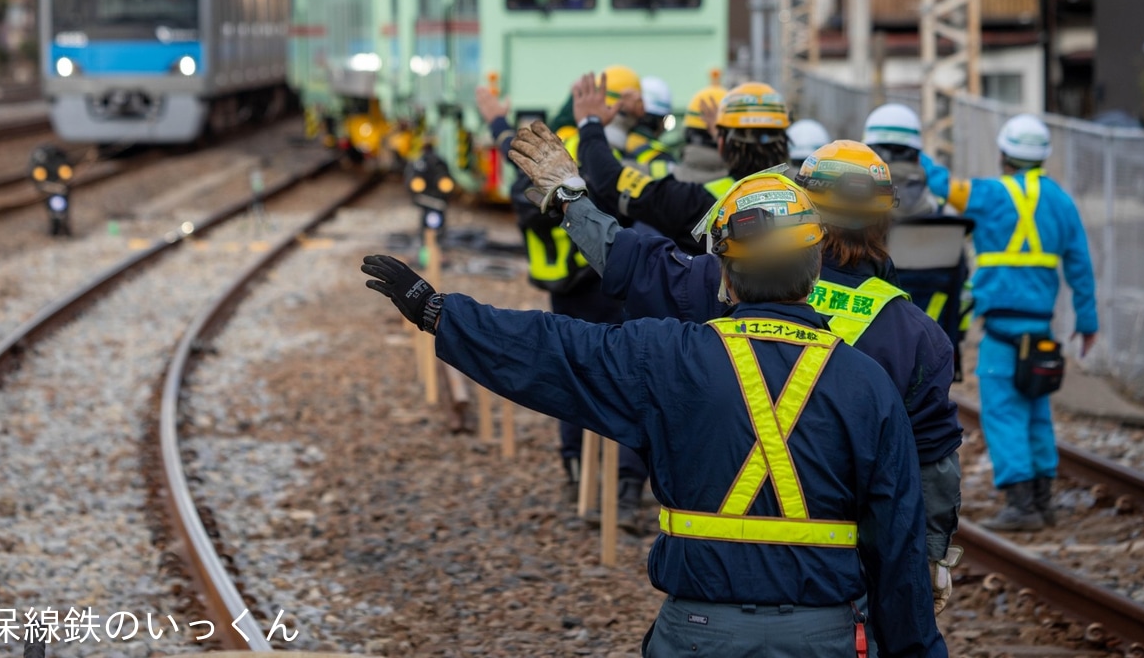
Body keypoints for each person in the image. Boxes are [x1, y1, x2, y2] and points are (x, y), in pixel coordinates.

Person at [362, 156, 947, 658]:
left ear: (727, 276)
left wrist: (438, 312)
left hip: (697, 631)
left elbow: (554, 350)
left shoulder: (668, 358)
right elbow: (899, 547)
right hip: (829, 634)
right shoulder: (869, 386)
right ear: (814, 266)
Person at [509, 126, 964, 614]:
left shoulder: (731, 282)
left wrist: (570, 200)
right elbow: (933, 461)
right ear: (884, 219)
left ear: (803, 206)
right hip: (841, 574)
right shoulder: (914, 333)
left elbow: (634, 263)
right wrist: (933, 556)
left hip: (721, 566)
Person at [473, 84, 647, 525]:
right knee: (627, 380)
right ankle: (626, 491)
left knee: (570, 378)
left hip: (561, 290)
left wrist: (496, 119)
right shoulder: (588, 167)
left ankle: (577, 477)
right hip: (604, 287)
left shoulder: (532, 174)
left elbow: (512, 153)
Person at [922, 114, 1097, 531]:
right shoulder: (1061, 202)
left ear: (1004, 154)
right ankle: (1043, 499)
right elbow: (1080, 265)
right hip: (1040, 330)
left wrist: (913, 153)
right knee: (1036, 408)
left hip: (1002, 331)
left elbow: (943, 186)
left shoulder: (986, 194)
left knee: (1003, 412)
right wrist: (1087, 320)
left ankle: (1021, 505)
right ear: (1042, 158)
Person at [572, 78, 791, 250]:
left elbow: (610, 179)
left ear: (722, 143)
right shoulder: (807, 195)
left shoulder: (694, 202)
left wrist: (590, 123)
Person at [864, 103, 974, 381]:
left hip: (868, 349)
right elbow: (962, 290)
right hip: (932, 343)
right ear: (918, 154)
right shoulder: (944, 215)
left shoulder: (856, 216)